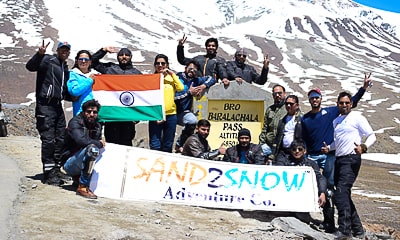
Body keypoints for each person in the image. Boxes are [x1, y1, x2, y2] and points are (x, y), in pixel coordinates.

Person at [302, 74, 372, 233]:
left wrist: (364, 87)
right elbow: (306, 138)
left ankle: (345, 229)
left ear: (320, 98)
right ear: (309, 100)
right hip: (317, 156)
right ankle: (344, 226)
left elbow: (352, 101)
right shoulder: (307, 118)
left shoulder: (333, 112)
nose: (314, 100)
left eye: (317, 97)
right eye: (312, 98)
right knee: (330, 191)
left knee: (335, 190)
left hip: (334, 159)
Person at [322, 92, 376, 240]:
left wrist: (363, 147)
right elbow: (338, 142)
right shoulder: (337, 121)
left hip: (351, 159)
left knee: (340, 193)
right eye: (341, 103)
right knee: (344, 194)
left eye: (347, 103)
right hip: (339, 159)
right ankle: (358, 229)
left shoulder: (357, 117)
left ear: (351, 103)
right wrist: (330, 148)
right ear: (338, 104)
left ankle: (345, 230)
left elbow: (372, 135)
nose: (344, 105)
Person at [26, 40, 72, 185]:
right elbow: (30, 67)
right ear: (57, 50)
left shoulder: (64, 66)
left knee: (61, 138)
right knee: (48, 140)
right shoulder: (47, 60)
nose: (64, 51)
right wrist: (39, 55)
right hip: (45, 105)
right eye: (62, 49)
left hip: (57, 106)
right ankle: (49, 173)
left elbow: (63, 88)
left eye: (67, 50)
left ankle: (56, 168)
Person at [91, 46, 142, 146]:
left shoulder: (137, 74)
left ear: (130, 57)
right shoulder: (110, 69)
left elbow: (141, 95)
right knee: (111, 144)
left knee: (126, 143)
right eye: (121, 55)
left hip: (128, 117)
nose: (124, 57)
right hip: (112, 116)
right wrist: (103, 51)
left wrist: (138, 116)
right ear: (117, 57)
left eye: (126, 55)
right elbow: (92, 62)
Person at [61, 99, 105, 199]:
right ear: (84, 112)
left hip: (83, 160)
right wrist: (99, 143)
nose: (92, 114)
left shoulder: (97, 126)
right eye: (89, 112)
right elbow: (81, 141)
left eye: (95, 112)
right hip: (70, 162)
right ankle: (82, 187)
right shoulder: (75, 122)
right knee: (92, 149)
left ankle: (80, 180)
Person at [174, 60, 216, 152]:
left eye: (195, 70)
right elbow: (174, 97)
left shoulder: (196, 80)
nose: (192, 71)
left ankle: (180, 145)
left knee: (192, 121)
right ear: (186, 68)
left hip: (183, 112)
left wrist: (203, 86)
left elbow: (211, 78)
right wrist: (189, 93)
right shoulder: (177, 78)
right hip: (171, 111)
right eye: (190, 69)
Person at [275, 139, 327, 213]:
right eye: (294, 149)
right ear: (290, 151)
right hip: (286, 192)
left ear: (304, 151)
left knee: (328, 193)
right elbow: (277, 171)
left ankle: (328, 222)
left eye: (300, 149)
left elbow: (320, 177)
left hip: (304, 195)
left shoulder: (310, 163)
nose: (297, 151)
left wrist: (322, 192)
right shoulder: (284, 161)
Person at [148, 54, 184, 153]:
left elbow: (181, 88)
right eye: (157, 63)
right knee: (155, 144)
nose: (160, 65)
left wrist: (172, 74)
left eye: (163, 63)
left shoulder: (171, 78)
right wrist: (154, 115)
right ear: (155, 65)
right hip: (156, 115)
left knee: (168, 144)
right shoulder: (151, 78)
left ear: (167, 65)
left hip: (170, 115)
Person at [270, 95, 302, 164]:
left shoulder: (301, 120)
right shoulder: (282, 120)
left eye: (291, 104)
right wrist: (272, 154)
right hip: (283, 152)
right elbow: (277, 138)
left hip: (296, 152)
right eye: (286, 103)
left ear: (297, 105)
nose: (288, 106)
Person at [258, 84, 288, 162]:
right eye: (275, 94)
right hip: (269, 146)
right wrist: (262, 143)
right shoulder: (270, 110)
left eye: (280, 93)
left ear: (284, 94)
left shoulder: (289, 108)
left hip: (282, 147)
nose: (277, 95)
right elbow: (265, 128)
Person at [67, 50, 97, 116]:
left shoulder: (95, 75)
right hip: (81, 114)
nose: (83, 61)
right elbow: (74, 91)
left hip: (94, 114)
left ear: (90, 62)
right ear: (77, 61)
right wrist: (89, 81)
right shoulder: (73, 74)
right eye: (81, 59)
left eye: (86, 59)